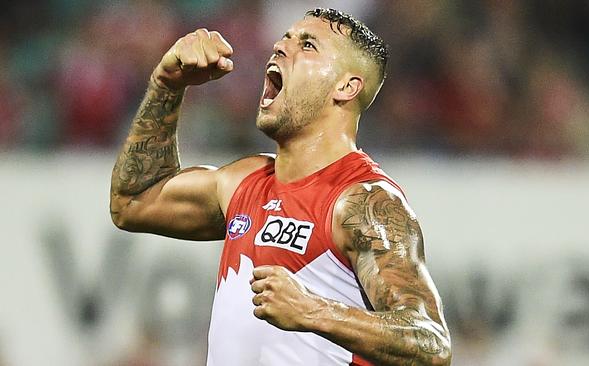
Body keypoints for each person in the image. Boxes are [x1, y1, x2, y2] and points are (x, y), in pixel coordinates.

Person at [110, 8, 451, 366]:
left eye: (307, 45)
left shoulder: (362, 202)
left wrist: (313, 311)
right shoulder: (244, 182)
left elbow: (431, 342)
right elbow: (133, 201)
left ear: (346, 87)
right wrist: (168, 84)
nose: (279, 47)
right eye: (285, 39)